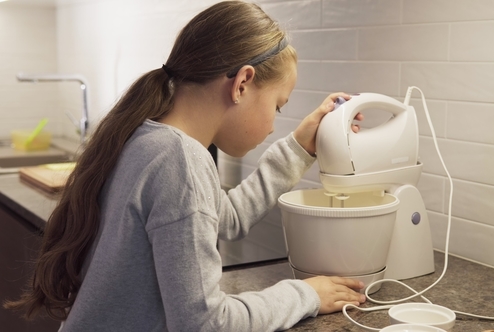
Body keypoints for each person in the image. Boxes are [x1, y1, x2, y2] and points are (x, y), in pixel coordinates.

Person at [4, 1, 367, 331]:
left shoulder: (148, 137)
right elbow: (204, 324)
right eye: (277, 106)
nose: (274, 123)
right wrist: (304, 295)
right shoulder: (181, 161)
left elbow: (225, 217)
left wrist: (298, 148)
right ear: (242, 84)